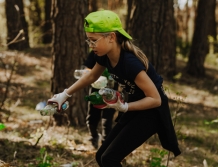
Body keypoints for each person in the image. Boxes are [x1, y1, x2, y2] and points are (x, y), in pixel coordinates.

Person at [48, 10, 181, 167]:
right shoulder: (104, 55)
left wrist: (125, 107)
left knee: (109, 159)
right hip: (136, 108)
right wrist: (65, 94)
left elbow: (155, 99)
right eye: (88, 41)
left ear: (111, 37)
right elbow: (91, 77)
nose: (91, 46)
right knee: (101, 157)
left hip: (152, 113)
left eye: (94, 40)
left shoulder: (130, 62)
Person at [83, 51, 116, 149]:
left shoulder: (119, 54)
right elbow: (87, 68)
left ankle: (105, 145)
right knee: (91, 118)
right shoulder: (96, 52)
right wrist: (90, 74)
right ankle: (94, 137)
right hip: (95, 91)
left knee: (107, 119)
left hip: (111, 92)